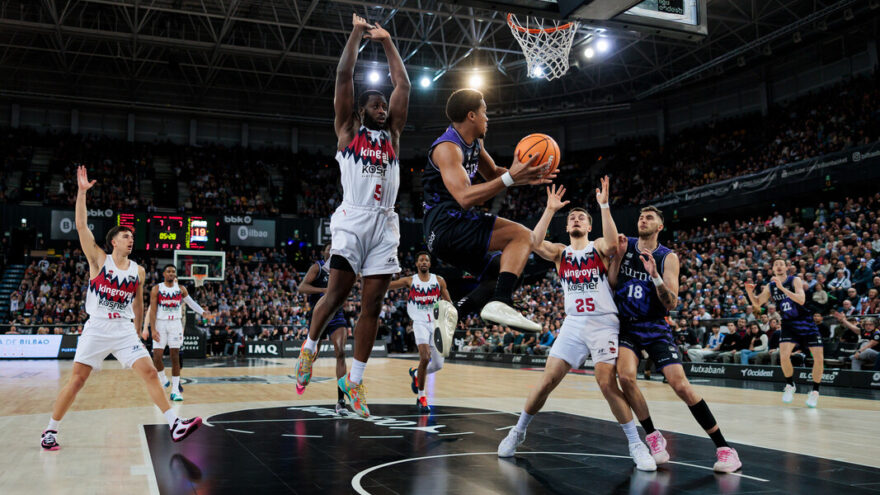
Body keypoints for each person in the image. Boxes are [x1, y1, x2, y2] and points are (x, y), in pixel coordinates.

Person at [294, 14, 410, 419]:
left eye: (384, 105)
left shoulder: (393, 135)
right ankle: (308, 350)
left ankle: (355, 382)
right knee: (338, 293)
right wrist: (358, 33)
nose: (383, 108)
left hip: (385, 222)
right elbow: (344, 75)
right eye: (375, 105)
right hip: (353, 219)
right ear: (362, 110)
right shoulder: (347, 131)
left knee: (373, 306)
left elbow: (404, 85)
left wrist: (387, 40)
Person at [498, 180, 657, 471]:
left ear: (588, 227)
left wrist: (604, 205)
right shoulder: (560, 253)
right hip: (573, 324)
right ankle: (517, 431)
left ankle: (636, 443)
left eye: (581, 217)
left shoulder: (597, 247)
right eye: (572, 216)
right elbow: (532, 243)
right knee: (547, 381)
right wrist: (548, 210)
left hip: (603, 323)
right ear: (567, 225)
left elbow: (611, 244)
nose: (576, 218)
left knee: (606, 383)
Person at [41, 166, 201, 451]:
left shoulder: (138, 271)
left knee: (151, 372)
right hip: (98, 326)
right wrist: (81, 193)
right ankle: (50, 430)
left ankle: (175, 424)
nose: (131, 240)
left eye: (131, 237)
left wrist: (141, 328)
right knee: (77, 380)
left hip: (124, 329)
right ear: (114, 241)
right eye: (126, 236)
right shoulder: (99, 260)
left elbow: (138, 301)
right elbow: (80, 226)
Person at [608, 206, 741, 473]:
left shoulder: (667, 257)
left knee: (680, 386)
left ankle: (725, 449)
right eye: (641, 216)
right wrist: (618, 258)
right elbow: (611, 283)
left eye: (650, 218)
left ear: (659, 227)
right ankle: (653, 436)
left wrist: (655, 275)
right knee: (625, 378)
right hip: (627, 327)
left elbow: (671, 302)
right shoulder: (625, 244)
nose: (643, 219)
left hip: (655, 326)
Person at [422, 87, 555, 339]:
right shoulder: (448, 148)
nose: (488, 118)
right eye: (485, 112)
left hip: (447, 231)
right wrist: (511, 177)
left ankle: (453, 314)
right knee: (523, 236)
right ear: (471, 115)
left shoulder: (474, 143)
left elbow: (494, 173)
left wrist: (527, 176)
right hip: (446, 225)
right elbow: (464, 197)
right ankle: (502, 303)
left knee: (508, 272)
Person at [746, 257, 824, 407]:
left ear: (786, 267)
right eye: (776, 265)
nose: (779, 266)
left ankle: (815, 391)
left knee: (818, 358)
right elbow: (757, 302)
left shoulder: (795, 280)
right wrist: (749, 292)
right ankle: (790, 385)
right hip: (788, 324)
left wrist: (782, 288)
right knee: (783, 356)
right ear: (773, 269)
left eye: (782, 264)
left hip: (805, 322)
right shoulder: (770, 286)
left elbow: (801, 300)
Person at [386, 252, 453, 413]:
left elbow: (448, 303)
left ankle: (416, 373)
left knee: (437, 365)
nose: (424, 262)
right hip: (420, 322)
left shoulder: (439, 281)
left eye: (427, 260)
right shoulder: (410, 281)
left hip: (436, 323)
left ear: (430, 264)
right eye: (421, 260)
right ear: (416, 264)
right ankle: (422, 397)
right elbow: (387, 285)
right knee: (425, 357)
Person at [145, 265, 213, 402]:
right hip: (160, 324)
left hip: (175, 324)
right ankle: (163, 379)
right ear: (164, 273)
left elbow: (191, 303)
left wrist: (202, 312)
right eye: (168, 271)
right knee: (157, 357)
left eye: (173, 272)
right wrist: (152, 329)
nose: (171, 274)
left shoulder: (181, 289)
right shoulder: (156, 289)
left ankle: (175, 391)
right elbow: (152, 310)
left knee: (175, 357)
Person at [296, 244, 351, 414]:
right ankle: (302, 370)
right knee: (314, 354)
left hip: (337, 315)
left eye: (335, 248)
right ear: (324, 252)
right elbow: (301, 287)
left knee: (341, 353)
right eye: (329, 248)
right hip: (318, 314)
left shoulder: (341, 270)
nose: (332, 250)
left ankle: (341, 401)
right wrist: (324, 290)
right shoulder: (318, 267)